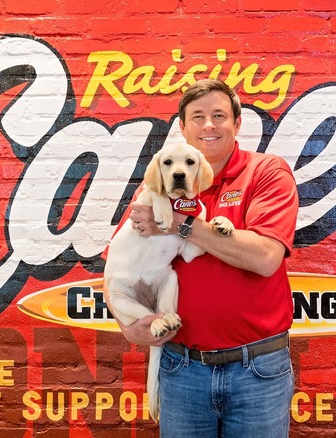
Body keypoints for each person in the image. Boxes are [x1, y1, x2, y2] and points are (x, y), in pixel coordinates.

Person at [110, 79, 299, 437]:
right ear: (182, 127)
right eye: (197, 117)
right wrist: (125, 321)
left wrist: (180, 225)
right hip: (183, 367)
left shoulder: (266, 173)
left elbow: (265, 258)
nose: (208, 125)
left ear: (237, 123)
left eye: (218, 116)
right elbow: (120, 261)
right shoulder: (156, 187)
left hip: (257, 367)